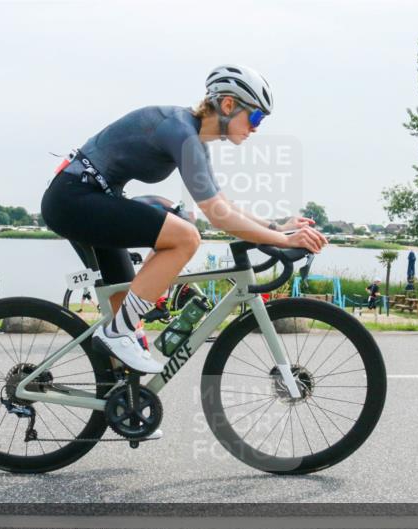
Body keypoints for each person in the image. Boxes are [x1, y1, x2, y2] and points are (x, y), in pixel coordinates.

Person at [42, 64, 327, 373]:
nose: (257, 128)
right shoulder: (179, 130)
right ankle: (115, 334)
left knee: (132, 318)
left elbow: (221, 203)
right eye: (256, 117)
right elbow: (218, 216)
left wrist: (276, 227)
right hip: (73, 200)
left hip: (92, 201)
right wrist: (283, 240)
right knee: (186, 237)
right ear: (229, 104)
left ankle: (129, 408)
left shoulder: (193, 138)